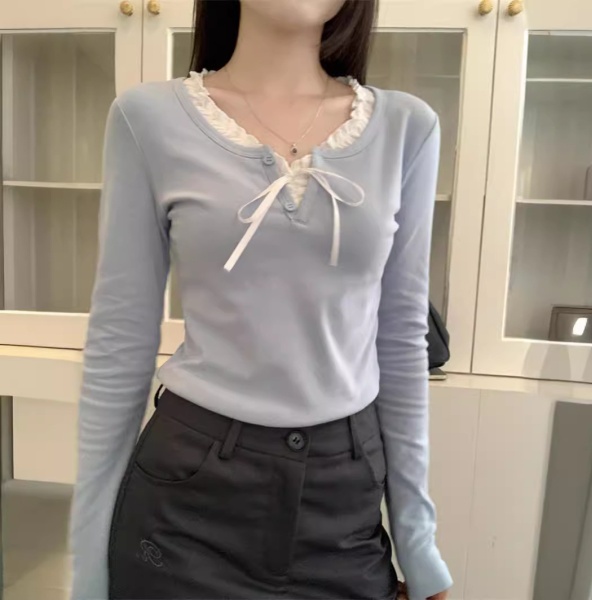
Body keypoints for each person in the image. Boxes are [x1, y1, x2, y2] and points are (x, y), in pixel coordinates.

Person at [68, 1, 453, 599]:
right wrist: (88, 566)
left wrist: (418, 542)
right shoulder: (147, 119)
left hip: (343, 500)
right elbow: (120, 341)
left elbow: (400, 338)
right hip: (186, 499)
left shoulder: (408, 127)